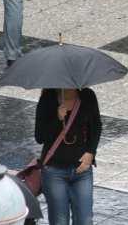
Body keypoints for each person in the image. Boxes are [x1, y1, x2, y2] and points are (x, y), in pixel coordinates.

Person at [35, 88, 102, 225]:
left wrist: (90, 153)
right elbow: (40, 137)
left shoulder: (87, 95)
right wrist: (57, 118)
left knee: (85, 219)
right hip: (54, 171)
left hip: (82, 170)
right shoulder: (48, 98)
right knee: (60, 221)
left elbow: (96, 126)